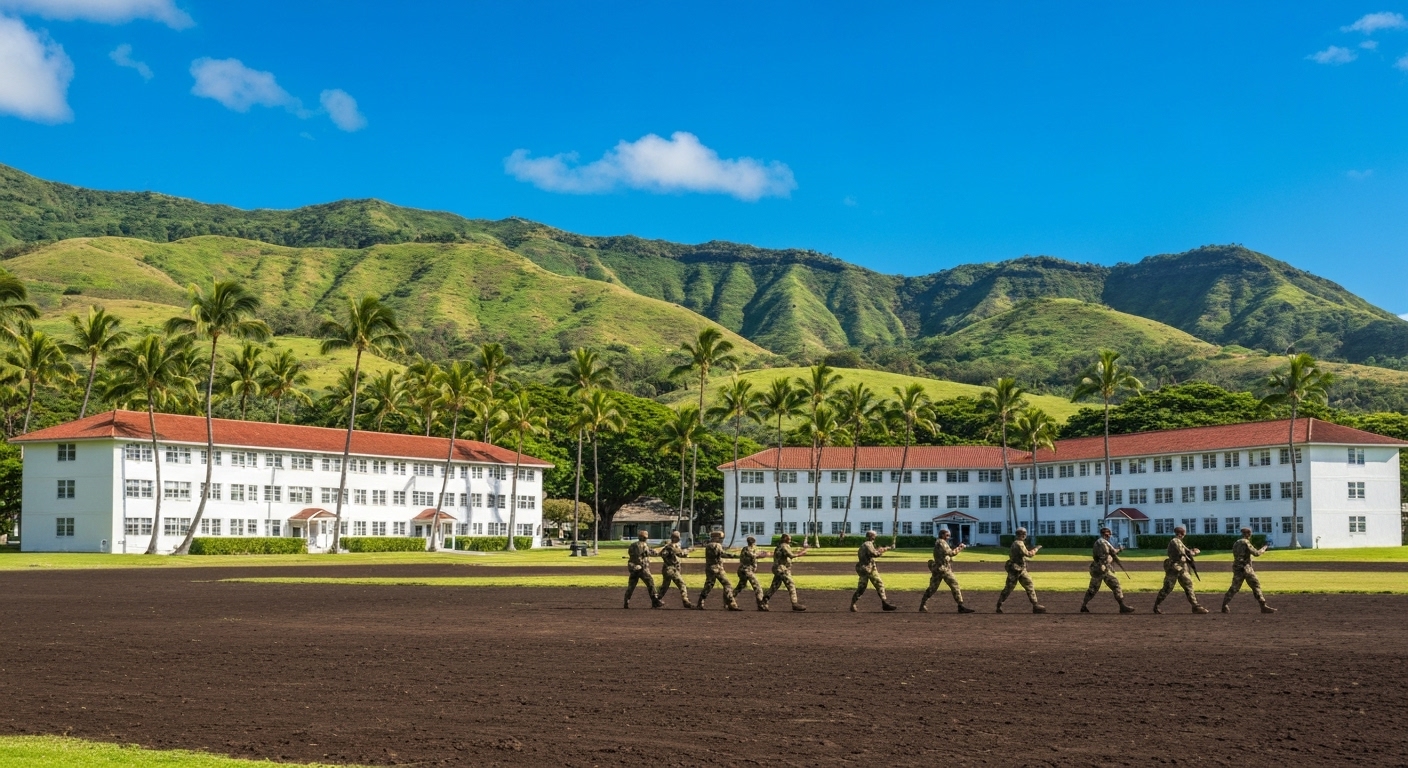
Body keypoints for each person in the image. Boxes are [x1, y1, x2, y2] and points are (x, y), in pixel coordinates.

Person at [1154, 526, 1209, 614]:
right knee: (1168, 588)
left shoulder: (1179, 542)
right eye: (1184, 533)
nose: (1184, 535)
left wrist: (1192, 551)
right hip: (1174, 568)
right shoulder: (1175, 541)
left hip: (1182, 568)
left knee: (1188, 585)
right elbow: (1183, 553)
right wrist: (1193, 553)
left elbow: (1186, 551)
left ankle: (1195, 606)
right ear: (1180, 534)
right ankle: (1156, 606)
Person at [1081, 527, 1135, 614]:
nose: (1110, 535)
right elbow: (1113, 552)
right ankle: (1122, 606)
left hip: (1096, 568)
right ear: (1105, 534)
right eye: (1109, 534)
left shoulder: (1097, 542)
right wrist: (1120, 549)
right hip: (1103, 569)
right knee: (1116, 585)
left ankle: (1083, 606)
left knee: (1092, 589)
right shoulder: (1105, 543)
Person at [1223, 527, 1276, 614]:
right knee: (1256, 585)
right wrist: (1265, 547)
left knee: (1234, 587)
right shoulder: (1246, 542)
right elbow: (1256, 553)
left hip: (1237, 567)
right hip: (1246, 568)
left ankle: (1224, 605)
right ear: (1247, 534)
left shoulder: (1236, 543)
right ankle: (1263, 606)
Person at [920, 529, 975, 613]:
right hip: (943, 569)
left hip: (938, 569)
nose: (949, 537)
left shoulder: (940, 542)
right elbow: (951, 553)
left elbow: (945, 555)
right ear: (942, 535)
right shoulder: (941, 542)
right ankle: (960, 606)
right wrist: (960, 548)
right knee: (954, 584)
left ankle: (922, 605)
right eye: (947, 535)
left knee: (932, 588)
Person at [997, 527, 1046, 614]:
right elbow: (1029, 554)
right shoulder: (1019, 544)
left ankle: (1035, 605)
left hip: (1019, 569)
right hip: (1016, 569)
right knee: (1010, 587)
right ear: (1023, 535)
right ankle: (999, 604)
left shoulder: (1016, 543)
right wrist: (1036, 549)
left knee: (1028, 584)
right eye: (1024, 534)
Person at [852, 530, 898, 612]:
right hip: (867, 569)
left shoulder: (866, 544)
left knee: (870, 586)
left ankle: (884, 602)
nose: (875, 537)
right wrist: (885, 549)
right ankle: (884, 603)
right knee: (870, 586)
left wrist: (882, 549)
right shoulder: (868, 544)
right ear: (872, 536)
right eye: (874, 535)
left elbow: (872, 552)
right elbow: (874, 554)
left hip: (866, 568)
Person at [697, 531, 743, 610]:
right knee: (727, 585)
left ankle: (700, 602)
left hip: (709, 568)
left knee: (708, 586)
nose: (722, 540)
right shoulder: (717, 545)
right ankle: (731, 603)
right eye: (721, 538)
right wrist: (735, 556)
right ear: (716, 538)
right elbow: (722, 554)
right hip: (717, 568)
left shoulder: (708, 545)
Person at [763, 533, 808, 611]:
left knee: (774, 586)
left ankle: (763, 601)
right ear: (784, 539)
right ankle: (794, 603)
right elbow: (791, 555)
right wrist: (801, 554)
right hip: (782, 569)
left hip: (778, 568)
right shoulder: (784, 546)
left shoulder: (780, 546)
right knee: (791, 584)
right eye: (788, 538)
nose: (790, 539)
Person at [624, 530, 662, 609]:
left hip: (633, 567)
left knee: (631, 585)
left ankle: (626, 600)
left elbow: (630, 553)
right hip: (643, 568)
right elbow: (652, 553)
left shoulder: (632, 545)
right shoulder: (644, 545)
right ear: (645, 537)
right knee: (650, 583)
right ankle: (655, 601)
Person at [654, 530, 693, 608]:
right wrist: (688, 550)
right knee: (682, 584)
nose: (679, 539)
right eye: (678, 537)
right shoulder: (673, 546)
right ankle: (685, 601)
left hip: (666, 568)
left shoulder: (668, 546)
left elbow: (662, 554)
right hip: (672, 569)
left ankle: (656, 600)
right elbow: (681, 554)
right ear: (674, 538)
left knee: (665, 586)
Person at [735, 535, 769, 610]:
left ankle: (730, 600)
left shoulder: (745, 549)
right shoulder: (748, 549)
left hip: (742, 570)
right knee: (757, 587)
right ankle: (761, 605)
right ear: (753, 542)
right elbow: (753, 556)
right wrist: (760, 555)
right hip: (747, 570)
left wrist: (759, 554)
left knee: (740, 586)